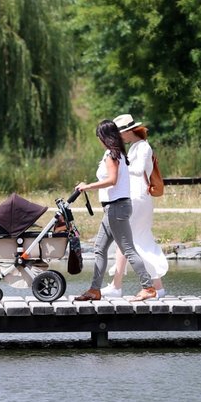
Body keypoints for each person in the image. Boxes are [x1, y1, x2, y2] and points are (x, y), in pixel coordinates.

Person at [74, 119, 157, 302]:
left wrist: (87, 187)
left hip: (117, 208)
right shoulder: (117, 153)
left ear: (104, 137)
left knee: (128, 249)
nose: (98, 140)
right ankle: (95, 290)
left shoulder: (112, 155)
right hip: (113, 208)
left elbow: (112, 180)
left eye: (99, 136)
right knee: (99, 248)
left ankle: (148, 287)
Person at [104, 114, 168, 297]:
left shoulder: (143, 147)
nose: (119, 137)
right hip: (136, 197)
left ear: (129, 132)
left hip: (138, 198)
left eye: (120, 133)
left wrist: (118, 167)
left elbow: (139, 170)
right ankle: (121, 286)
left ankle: (122, 286)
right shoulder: (135, 147)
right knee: (128, 241)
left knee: (128, 240)